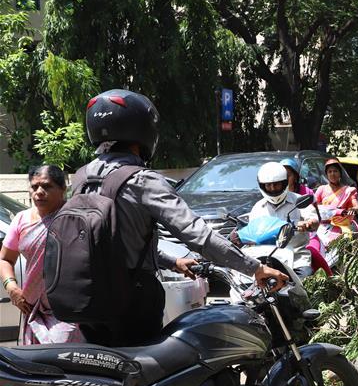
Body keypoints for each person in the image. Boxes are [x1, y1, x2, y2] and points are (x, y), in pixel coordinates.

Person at [80, 89, 287, 346]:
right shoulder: (141, 179)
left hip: (85, 299)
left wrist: (172, 261)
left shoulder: (81, 178)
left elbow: (112, 243)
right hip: (131, 301)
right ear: (145, 132)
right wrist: (255, 268)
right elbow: (196, 234)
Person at [0, 166, 84, 345]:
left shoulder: (75, 218)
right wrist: (12, 287)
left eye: (46, 186)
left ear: (63, 189)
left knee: (65, 363)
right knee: (36, 367)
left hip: (68, 311)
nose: (39, 192)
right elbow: (5, 259)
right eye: (34, 186)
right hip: (32, 309)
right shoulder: (21, 219)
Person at [247, 162, 331, 275]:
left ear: (284, 183)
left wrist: (308, 223)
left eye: (276, 184)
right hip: (266, 260)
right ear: (262, 186)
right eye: (268, 185)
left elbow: (314, 220)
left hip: (296, 258)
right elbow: (251, 233)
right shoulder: (258, 207)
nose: (272, 189)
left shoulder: (299, 200)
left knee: (304, 281)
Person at [314, 159, 358, 247]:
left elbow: (357, 207)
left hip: (342, 226)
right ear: (326, 174)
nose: (332, 174)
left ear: (340, 173)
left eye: (335, 171)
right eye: (330, 171)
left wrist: (353, 209)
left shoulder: (348, 190)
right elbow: (313, 206)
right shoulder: (321, 189)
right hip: (323, 226)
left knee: (346, 240)